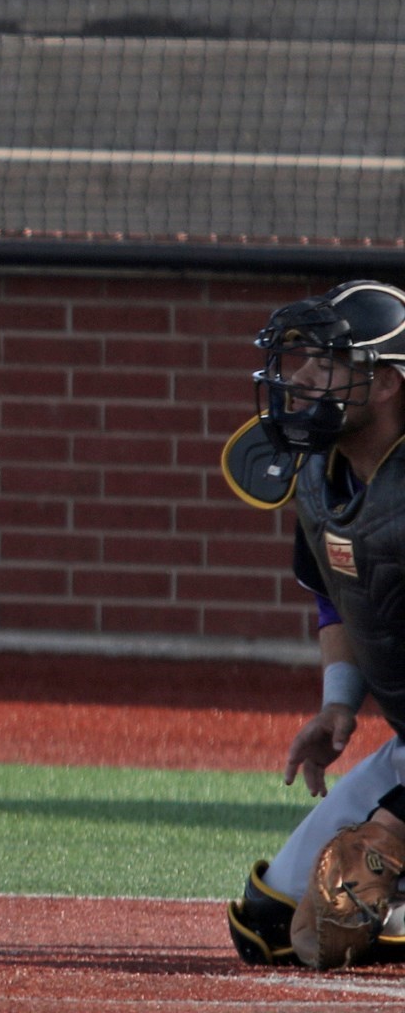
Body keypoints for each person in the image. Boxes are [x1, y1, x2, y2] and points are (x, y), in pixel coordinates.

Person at [226, 280, 405, 968]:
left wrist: (395, 819)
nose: (299, 376)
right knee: (270, 924)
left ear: (386, 383)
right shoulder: (320, 474)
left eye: (327, 361)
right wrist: (339, 701)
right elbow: (337, 592)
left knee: (379, 930)